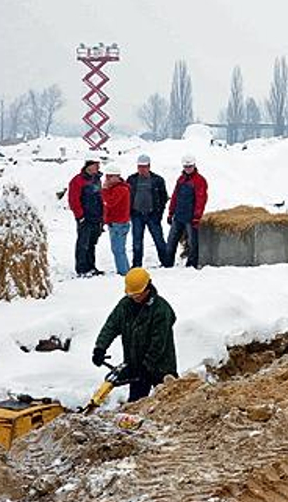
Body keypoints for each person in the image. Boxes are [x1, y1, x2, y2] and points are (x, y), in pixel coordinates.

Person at [92, 267, 177, 402]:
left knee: (170, 403)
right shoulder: (125, 305)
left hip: (161, 366)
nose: (134, 298)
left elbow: (159, 343)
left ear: (147, 288)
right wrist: (100, 347)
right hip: (136, 365)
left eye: (137, 295)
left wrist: (146, 366)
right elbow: (111, 326)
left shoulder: (161, 310)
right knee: (135, 404)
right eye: (132, 295)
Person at [164, 154, 208, 268]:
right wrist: (170, 212)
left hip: (191, 218)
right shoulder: (181, 179)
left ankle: (192, 265)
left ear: (194, 165)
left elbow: (201, 199)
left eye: (190, 166)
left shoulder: (199, 180)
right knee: (171, 241)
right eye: (186, 166)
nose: (188, 169)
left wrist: (197, 216)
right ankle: (167, 264)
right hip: (178, 216)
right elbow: (175, 197)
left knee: (192, 243)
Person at [127, 154, 169, 268]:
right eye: (139, 167)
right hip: (137, 215)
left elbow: (163, 197)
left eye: (144, 167)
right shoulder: (131, 180)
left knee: (159, 240)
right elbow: (127, 196)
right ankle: (136, 265)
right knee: (137, 242)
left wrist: (159, 213)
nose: (142, 169)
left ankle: (166, 263)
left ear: (149, 166)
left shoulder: (158, 180)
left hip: (152, 215)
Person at [68, 158, 104, 277]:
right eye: (95, 165)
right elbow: (73, 200)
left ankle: (91, 267)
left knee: (92, 243)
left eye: (98, 165)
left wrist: (102, 216)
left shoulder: (97, 179)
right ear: (88, 166)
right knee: (83, 243)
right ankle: (82, 268)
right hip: (85, 218)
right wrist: (80, 216)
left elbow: (100, 198)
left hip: (96, 217)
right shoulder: (78, 180)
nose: (98, 167)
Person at [102, 163, 131, 276]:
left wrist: (104, 190)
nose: (107, 179)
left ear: (117, 177)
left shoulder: (121, 189)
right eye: (107, 176)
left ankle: (124, 271)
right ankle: (124, 270)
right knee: (118, 249)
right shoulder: (118, 188)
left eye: (110, 176)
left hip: (119, 223)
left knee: (118, 250)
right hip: (116, 222)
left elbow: (110, 202)